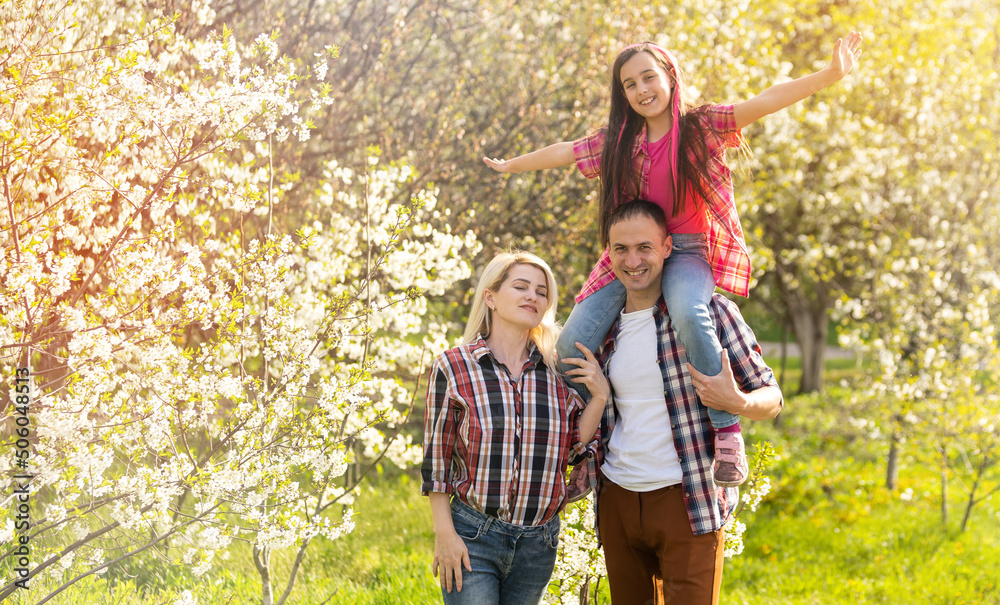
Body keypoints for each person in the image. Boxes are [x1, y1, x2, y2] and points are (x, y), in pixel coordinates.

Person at [483, 32, 863, 487]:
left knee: (689, 313)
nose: (642, 90)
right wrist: (511, 166)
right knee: (570, 346)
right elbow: (565, 152)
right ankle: (591, 444)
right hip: (631, 257)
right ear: (622, 94)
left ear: (669, 78)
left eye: (649, 77)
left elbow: (765, 100)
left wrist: (832, 73)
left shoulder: (701, 127)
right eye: (629, 84)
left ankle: (725, 432)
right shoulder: (620, 142)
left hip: (686, 250)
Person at [577, 200, 784, 604]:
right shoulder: (601, 327)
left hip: (687, 501)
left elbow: (772, 397)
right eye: (620, 249)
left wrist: (737, 401)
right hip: (617, 496)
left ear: (668, 247)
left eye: (644, 248)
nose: (632, 260)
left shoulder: (708, 313)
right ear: (608, 254)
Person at [421, 251, 610, 605]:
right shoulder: (455, 366)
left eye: (541, 292)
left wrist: (598, 398)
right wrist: (444, 533)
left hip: (538, 545)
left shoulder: (555, 373)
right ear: (490, 297)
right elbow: (437, 461)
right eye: (521, 286)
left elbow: (570, 449)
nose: (532, 297)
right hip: (473, 536)